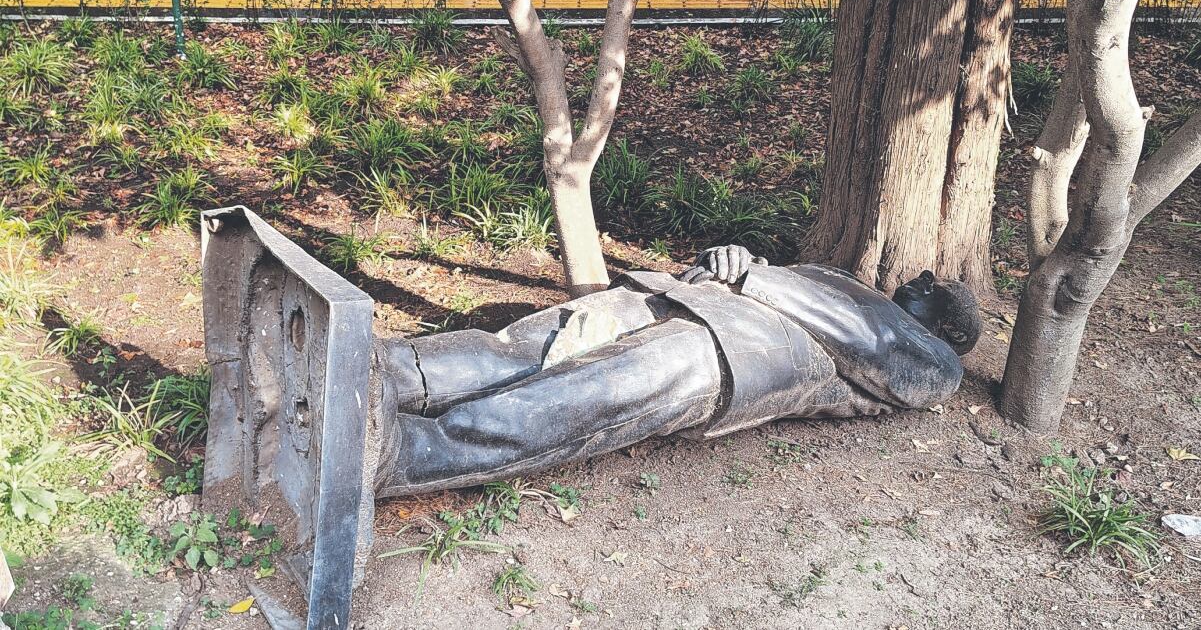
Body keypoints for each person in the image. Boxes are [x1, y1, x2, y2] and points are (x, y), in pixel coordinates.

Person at [369, 245, 981, 497]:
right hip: (685, 298)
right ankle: (387, 370)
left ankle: (406, 452)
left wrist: (753, 278)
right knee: (531, 345)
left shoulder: (938, 363)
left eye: (940, 290)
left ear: (951, 332)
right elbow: (775, 278)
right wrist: (736, 259)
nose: (925, 278)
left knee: (580, 397)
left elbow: (865, 341)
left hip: (741, 350)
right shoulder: (844, 280)